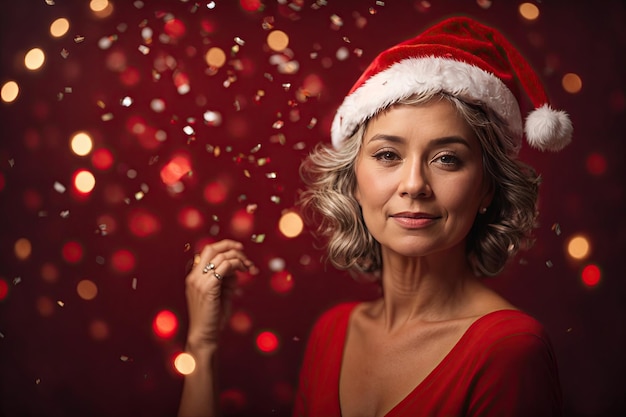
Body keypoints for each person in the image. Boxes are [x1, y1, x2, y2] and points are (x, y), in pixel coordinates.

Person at [178, 16, 572, 417]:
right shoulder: (333, 332)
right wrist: (202, 346)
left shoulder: (510, 350)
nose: (414, 184)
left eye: (447, 159)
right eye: (388, 155)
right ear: (353, 180)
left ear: (487, 187)